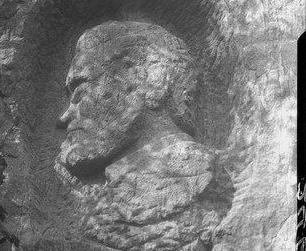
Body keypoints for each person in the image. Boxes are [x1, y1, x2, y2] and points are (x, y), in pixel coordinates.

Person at [56, 20, 199, 179]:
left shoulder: (192, 172)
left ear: (149, 80)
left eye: (81, 92)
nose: (64, 117)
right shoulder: (122, 180)